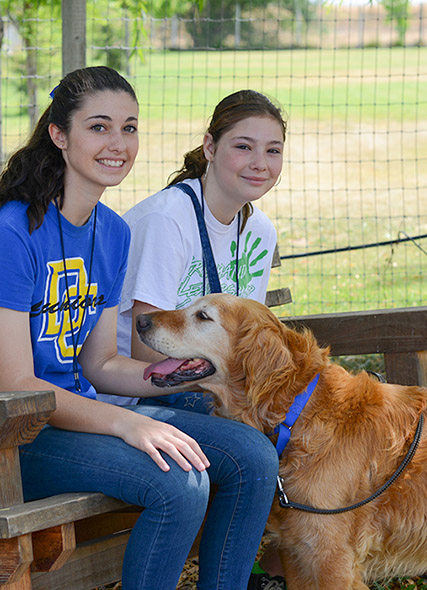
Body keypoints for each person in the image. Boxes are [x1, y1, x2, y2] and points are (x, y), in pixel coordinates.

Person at [0, 66, 280, 590]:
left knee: (253, 457)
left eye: (129, 128)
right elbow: (17, 384)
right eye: (99, 127)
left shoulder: (112, 232)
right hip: (16, 438)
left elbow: (101, 365)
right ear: (59, 135)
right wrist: (128, 423)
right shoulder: (13, 231)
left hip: (77, 415)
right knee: (180, 485)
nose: (118, 143)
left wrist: (185, 375)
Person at [97, 89, 288, 588]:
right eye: (243, 147)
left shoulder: (260, 231)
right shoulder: (169, 219)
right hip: (131, 392)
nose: (260, 164)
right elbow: (146, 350)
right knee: (256, 449)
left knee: (309, 426)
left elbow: (241, 348)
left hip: (197, 386)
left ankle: (305, 557)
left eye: (273, 150)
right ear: (209, 147)